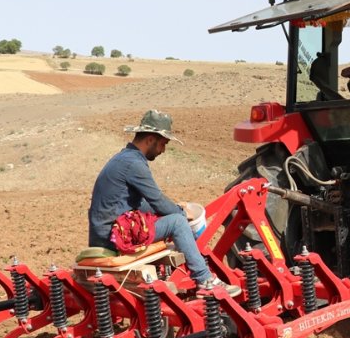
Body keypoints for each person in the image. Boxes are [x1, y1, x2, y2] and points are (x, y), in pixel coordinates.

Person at [87, 109, 240, 295]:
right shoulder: (134, 164)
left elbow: (142, 203)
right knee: (177, 223)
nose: (163, 150)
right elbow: (158, 201)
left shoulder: (123, 158)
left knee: (168, 216)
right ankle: (205, 279)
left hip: (103, 233)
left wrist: (175, 208)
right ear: (150, 139)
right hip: (113, 237)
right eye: (163, 144)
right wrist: (183, 213)